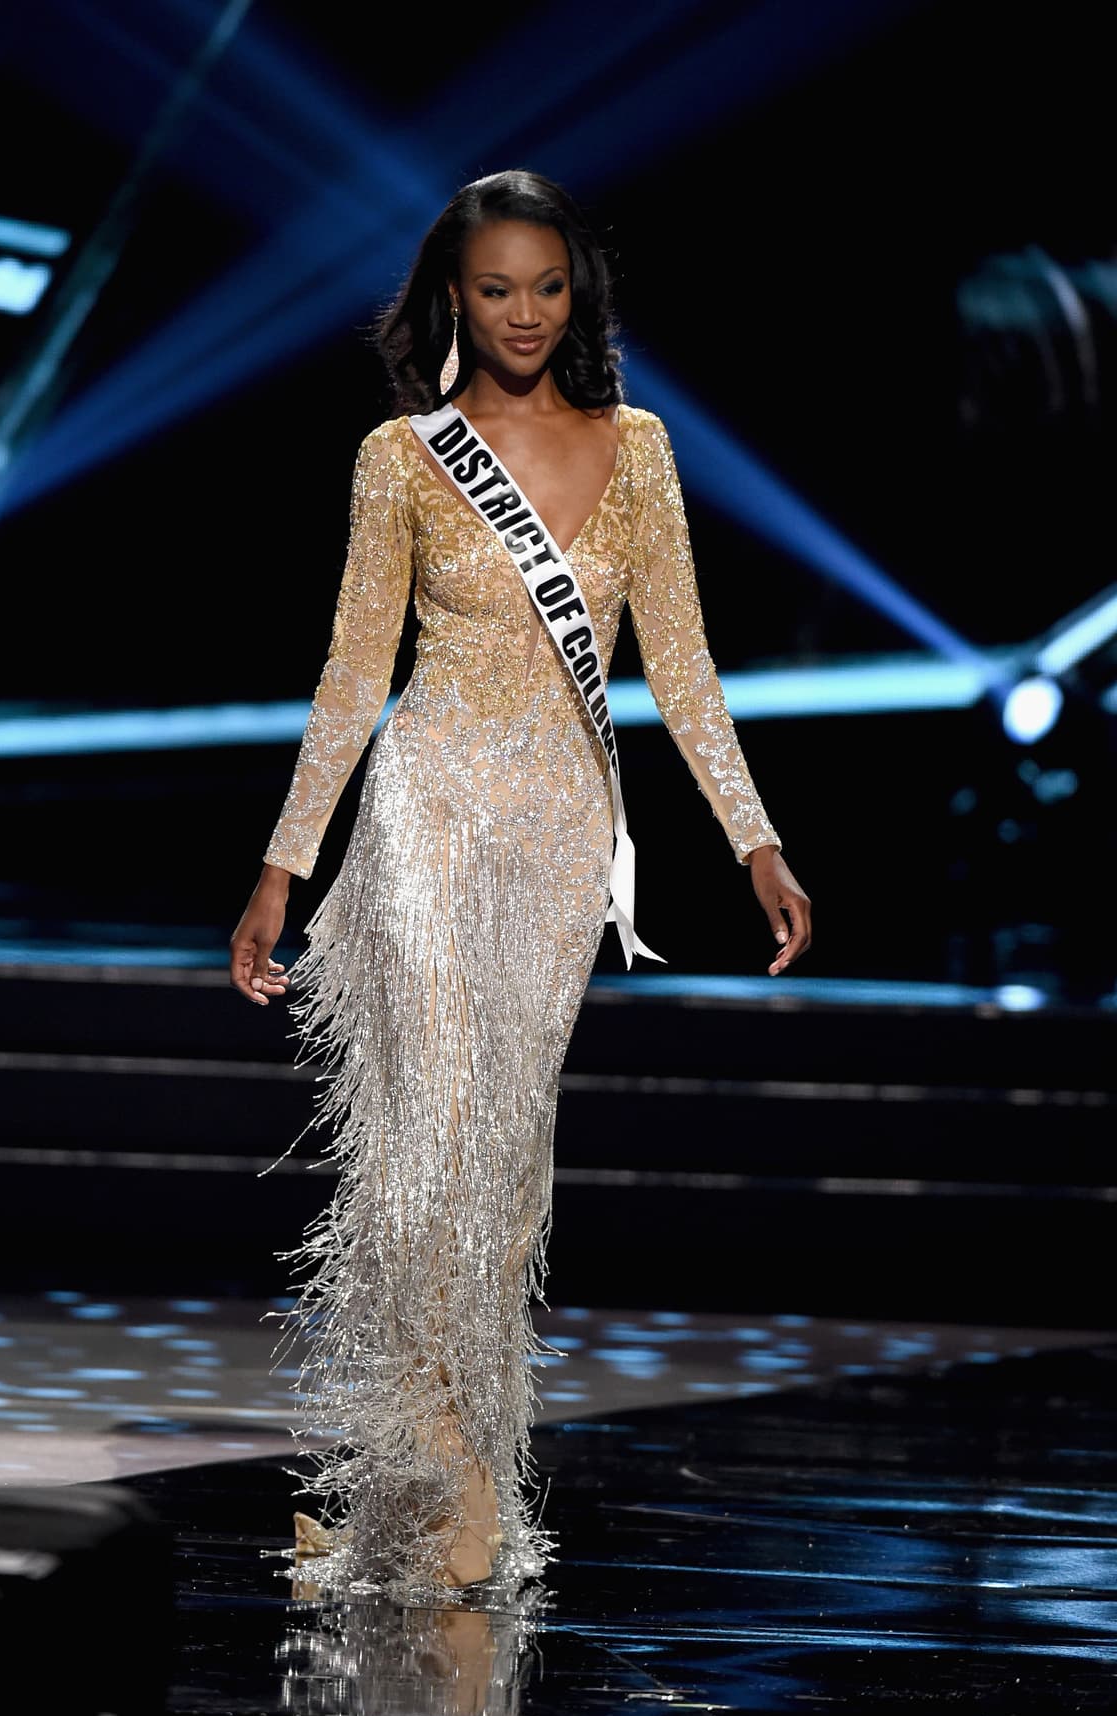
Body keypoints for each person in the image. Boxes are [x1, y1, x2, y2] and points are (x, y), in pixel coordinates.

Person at [230, 169, 811, 1597]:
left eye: (548, 287)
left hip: (560, 839)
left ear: (577, 294)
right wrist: (283, 866)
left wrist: (754, 841)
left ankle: (423, 1476)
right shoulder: (400, 458)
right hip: (424, 816)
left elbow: (684, 667)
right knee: (430, 1142)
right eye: (497, 289)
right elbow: (352, 675)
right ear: (454, 297)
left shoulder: (642, 449)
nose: (526, 314)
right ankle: (456, 1482)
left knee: (501, 1163)